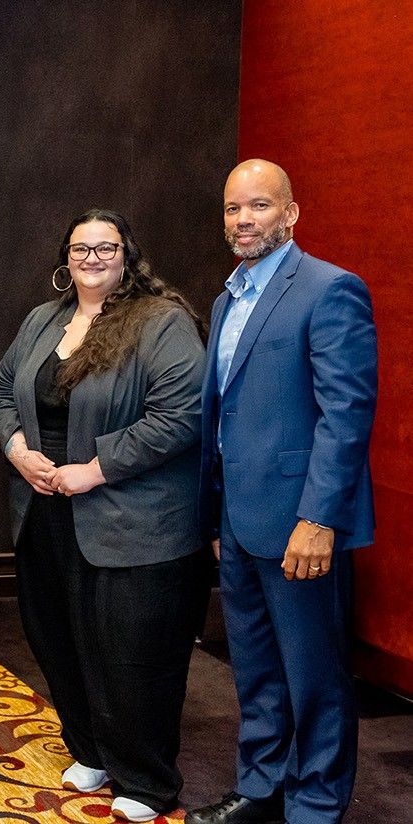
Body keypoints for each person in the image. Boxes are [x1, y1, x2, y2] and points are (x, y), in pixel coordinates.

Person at [0, 209, 207, 822]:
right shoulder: (43, 320)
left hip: (133, 521)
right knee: (59, 638)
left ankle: (146, 778)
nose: (92, 257)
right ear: (66, 258)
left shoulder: (160, 323)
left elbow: (179, 417)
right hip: (44, 510)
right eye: (81, 248)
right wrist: (16, 450)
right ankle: (92, 750)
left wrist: (95, 468)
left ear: (126, 255)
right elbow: (4, 393)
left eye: (105, 247)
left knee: (132, 654)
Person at [187, 161, 377, 824]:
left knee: (316, 679)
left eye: (259, 206)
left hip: (301, 526)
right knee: (257, 672)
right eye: (233, 208)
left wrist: (319, 519)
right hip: (238, 525)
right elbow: (226, 415)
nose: (244, 220)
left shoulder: (330, 290)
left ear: (291, 213)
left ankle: (316, 806)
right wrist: (216, 514)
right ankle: (260, 789)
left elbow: (345, 416)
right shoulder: (226, 298)